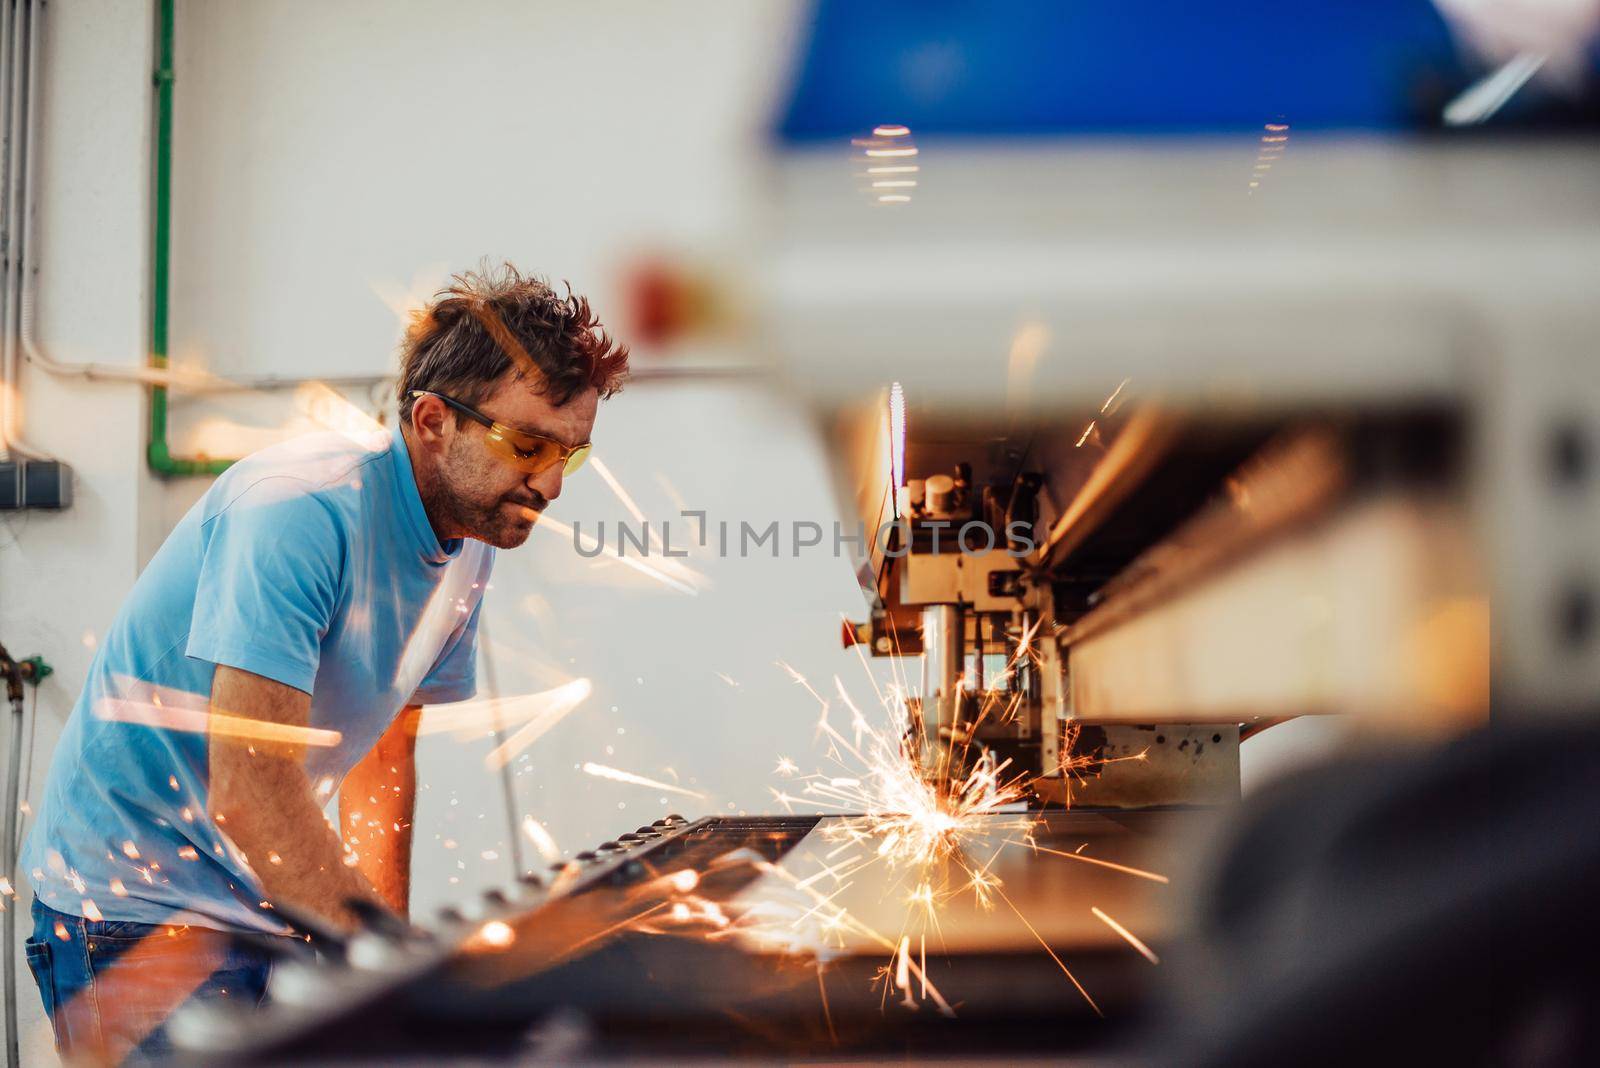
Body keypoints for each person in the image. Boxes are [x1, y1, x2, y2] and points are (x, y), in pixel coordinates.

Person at [19, 263, 628, 1062]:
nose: (548, 483)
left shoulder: (469, 545)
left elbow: (382, 757)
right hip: (134, 906)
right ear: (434, 420)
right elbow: (251, 785)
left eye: (570, 456)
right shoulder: (299, 511)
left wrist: (385, 957)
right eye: (527, 444)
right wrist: (378, 952)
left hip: (268, 897)